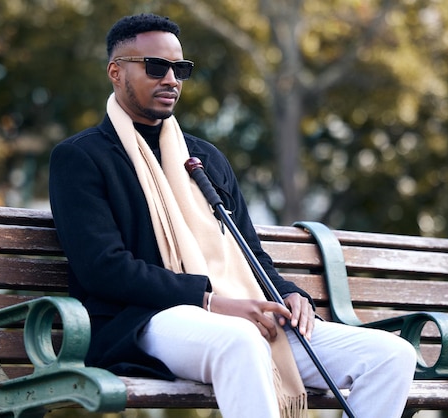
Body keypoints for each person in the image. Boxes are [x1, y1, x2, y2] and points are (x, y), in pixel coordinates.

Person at [49, 13, 416, 418]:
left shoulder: (203, 158)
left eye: (180, 69)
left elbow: (249, 252)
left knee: (391, 355)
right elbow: (103, 268)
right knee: (241, 339)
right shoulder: (82, 158)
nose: (171, 79)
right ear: (116, 72)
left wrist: (289, 294)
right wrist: (210, 301)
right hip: (141, 322)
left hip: (240, 312)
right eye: (156, 67)